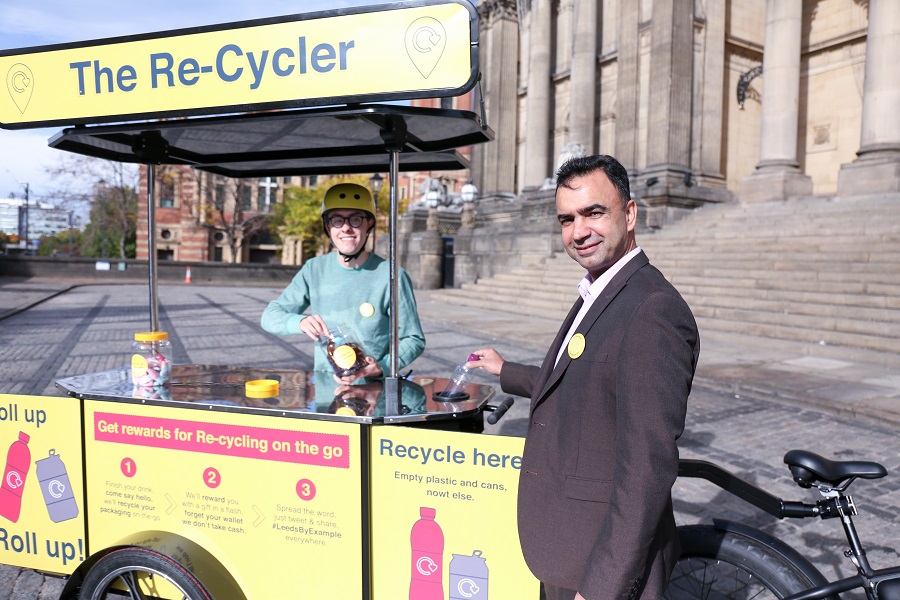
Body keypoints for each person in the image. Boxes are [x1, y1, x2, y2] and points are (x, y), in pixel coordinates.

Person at [468, 155, 699, 600]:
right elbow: (582, 384)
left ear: (629, 214)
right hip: (571, 544)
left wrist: (600, 588)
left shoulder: (651, 310)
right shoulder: (602, 288)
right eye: (566, 219)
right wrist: (505, 371)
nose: (578, 232)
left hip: (600, 566)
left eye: (594, 213)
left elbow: (646, 470)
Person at [261, 182, 425, 383]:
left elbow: (413, 338)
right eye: (337, 220)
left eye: (356, 219)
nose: (346, 228)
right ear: (328, 227)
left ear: (369, 225)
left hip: (374, 393)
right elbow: (270, 316)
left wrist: (382, 367)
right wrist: (300, 322)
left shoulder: (392, 276)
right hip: (325, 390)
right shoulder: (314, 269)